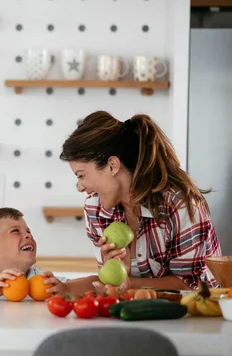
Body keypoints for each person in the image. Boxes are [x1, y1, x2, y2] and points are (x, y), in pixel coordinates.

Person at [60, 111, 221, 291]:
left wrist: (132, 284)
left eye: (81, 176)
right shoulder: (95, 208)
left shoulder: (178, 205)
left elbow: (193, 285)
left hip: (200, 315)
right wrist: (120, 272)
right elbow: (112, 287)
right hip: (137, 313)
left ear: (113, 165)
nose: (81, 187)